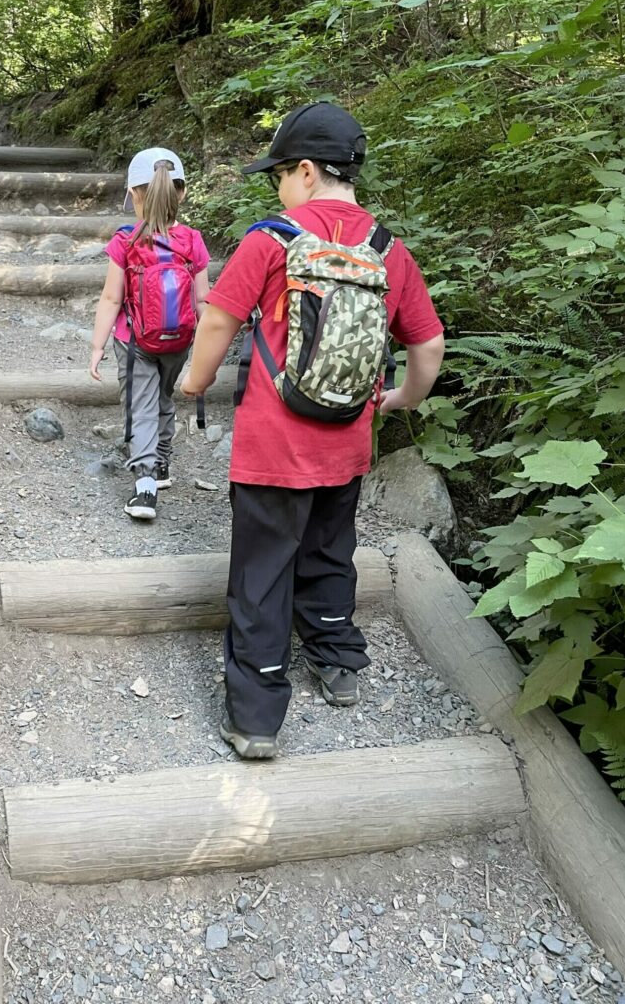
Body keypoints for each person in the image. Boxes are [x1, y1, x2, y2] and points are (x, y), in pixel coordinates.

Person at [180, 102, 445, 759]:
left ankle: (256, 718)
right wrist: (395, 400)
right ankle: (336, 663)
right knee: (329, 553)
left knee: (261, 574)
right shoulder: (387, 249)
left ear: (304, 171)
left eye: (278, 174)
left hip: (273, 446)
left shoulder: (270, 239)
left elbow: (217, 322)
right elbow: (429, 345)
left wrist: (191, 382)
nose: (277, 187)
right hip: (347, 445)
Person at [90, 148, 210, 521]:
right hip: (180, 338)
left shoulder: (125, 242)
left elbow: (112, 298)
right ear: (182, 193)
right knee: (163, 396)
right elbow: (204, 301)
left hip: (135, 339)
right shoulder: (192, 240)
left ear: (133, 195)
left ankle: (144, 486)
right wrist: (206, 352)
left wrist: (97, 346)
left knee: (139, 406)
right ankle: (162, 465)